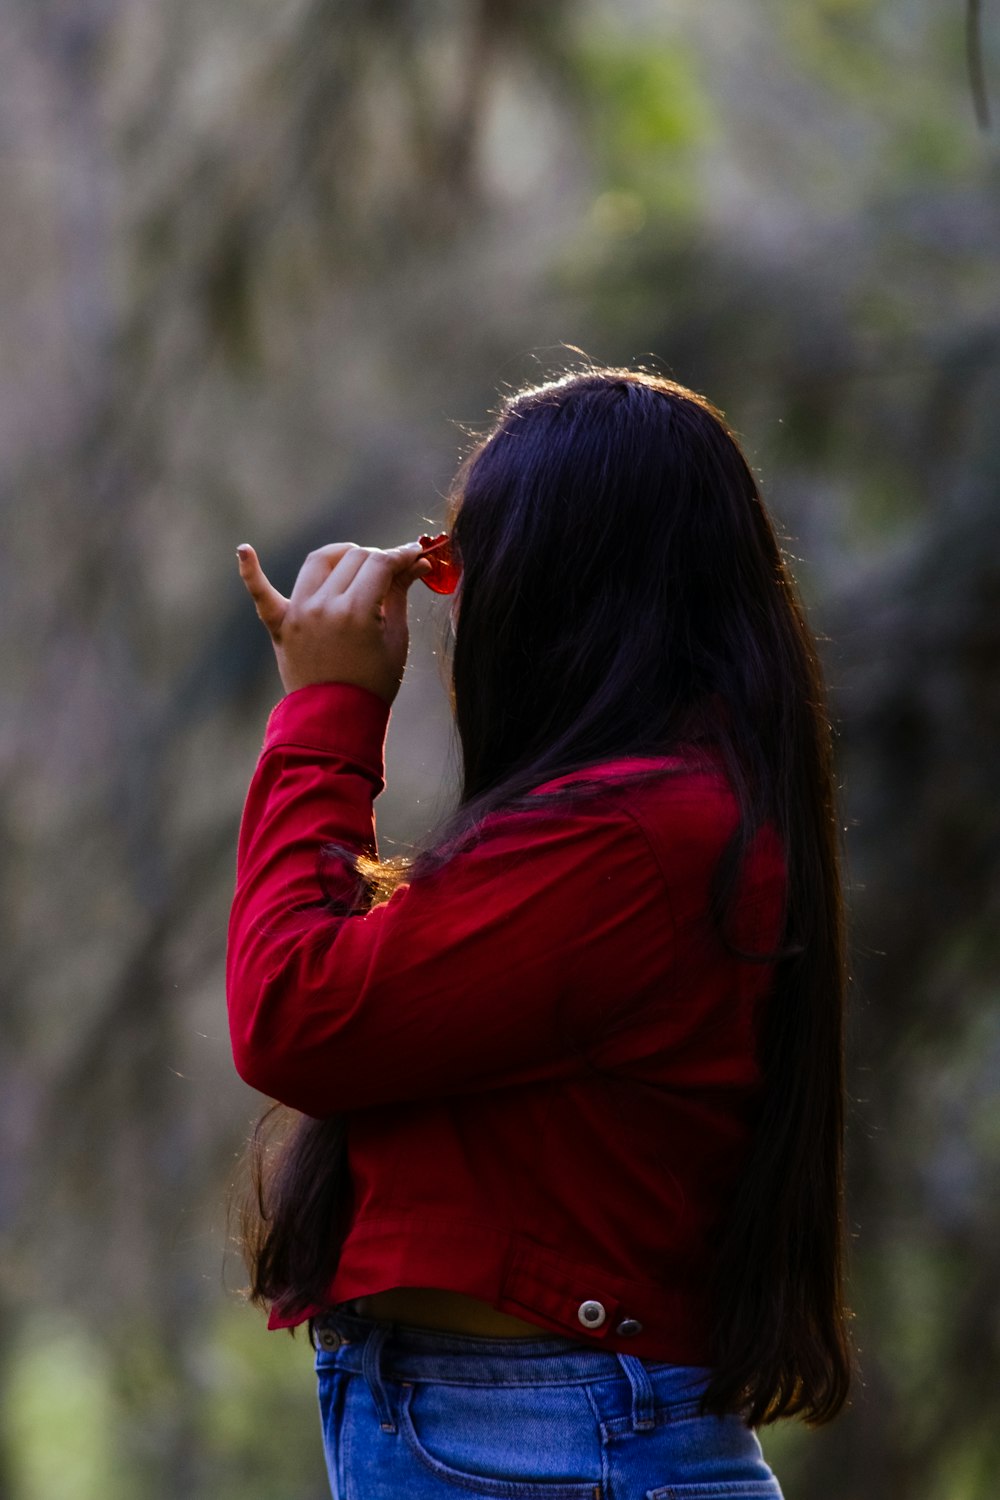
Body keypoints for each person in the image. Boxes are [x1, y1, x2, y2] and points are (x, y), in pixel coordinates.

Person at [227, 368, 852, 1498]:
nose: (449, 604)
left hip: (547, 1442)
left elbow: (292, 1013)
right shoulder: (646, 818)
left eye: (461, 565)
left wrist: (325, 719)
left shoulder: (640, 840)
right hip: (522, 1435)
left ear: (565, 582)